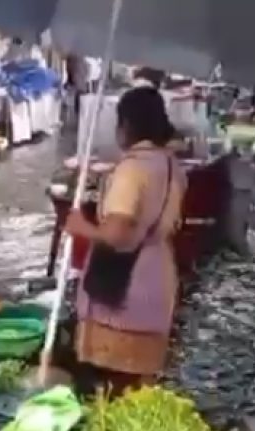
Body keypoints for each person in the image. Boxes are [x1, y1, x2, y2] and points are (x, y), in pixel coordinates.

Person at [64, 86, 186, 393]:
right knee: (141, 387)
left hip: (124, 282)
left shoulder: (132, 169)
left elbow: (116, 235)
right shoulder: (172, 165)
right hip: (158, 273)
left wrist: (81, 227)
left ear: (127, 124)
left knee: (110, 382)